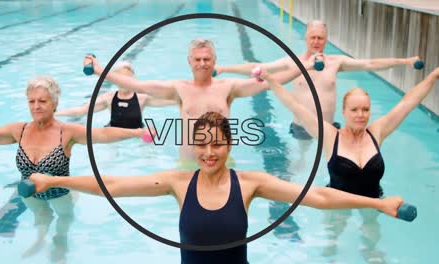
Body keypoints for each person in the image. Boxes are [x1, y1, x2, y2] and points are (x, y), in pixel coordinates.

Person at [27, 111, 407, 264]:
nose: (209, 153)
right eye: (202, 144)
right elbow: (111, 183)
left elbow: (319, 196)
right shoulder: (177, 182)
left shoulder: (250, 184)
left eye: (217, 144)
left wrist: (377, 204)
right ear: (193, 146)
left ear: (229, 144)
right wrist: (54, 179)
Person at [258, 66, 438, 261]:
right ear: (343, 112)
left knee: (371, 234)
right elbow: (295, 106)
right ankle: (332, 252)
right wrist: (269, 78)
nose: (360, 115)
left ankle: (370, 252)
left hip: (374, 201)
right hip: (337, 204)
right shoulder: (329, 136)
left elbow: (408, 103)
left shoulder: (376, 132)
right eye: (354, 110)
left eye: (365, 110)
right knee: (332, 239)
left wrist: (434, 75)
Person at [0, 76, 152, 262]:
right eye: (31, 101)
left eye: (42, 101)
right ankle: (40, 239)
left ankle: (60, 241)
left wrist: (136, 133)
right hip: (30, 195)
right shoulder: (19, 130)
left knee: (64, 220)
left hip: (60, 195)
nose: (36, 106)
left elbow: (102, 133)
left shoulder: (67, 132)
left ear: (54, 103)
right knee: (40, 216)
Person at [214, 20, 421, 169]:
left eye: (320, 38)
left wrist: (404, 62)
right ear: (305, 38)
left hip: (330, 130)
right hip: (302, 128)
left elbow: (369, 64)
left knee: (332, 169)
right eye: (312, 37)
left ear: (326, 40)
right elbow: (256, 66)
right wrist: (224, 69)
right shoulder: (293, 62)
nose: (316, 41)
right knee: (300, 167)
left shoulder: (336, 62)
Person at [84, 39, 309, 161]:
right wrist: (99, 70)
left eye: (207, 59)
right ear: (189, 61)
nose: (203, 63)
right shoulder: (178, 89)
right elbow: (137, 85)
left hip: (220, 162)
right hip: (189, 163)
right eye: (198, 59)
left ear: (214, 61)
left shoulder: (228, 87)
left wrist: (305, 67)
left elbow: (271, 82)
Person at [56, 61, 176, 128]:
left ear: (133, 78)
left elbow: (170, 101)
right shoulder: (108, 98)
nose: (124, 82)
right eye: (120, 78)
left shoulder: (141, 98)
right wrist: (55, 113)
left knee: (149, 150)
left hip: (136, 133)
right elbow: (81, 111)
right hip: (113, 134)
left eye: (127, 78)